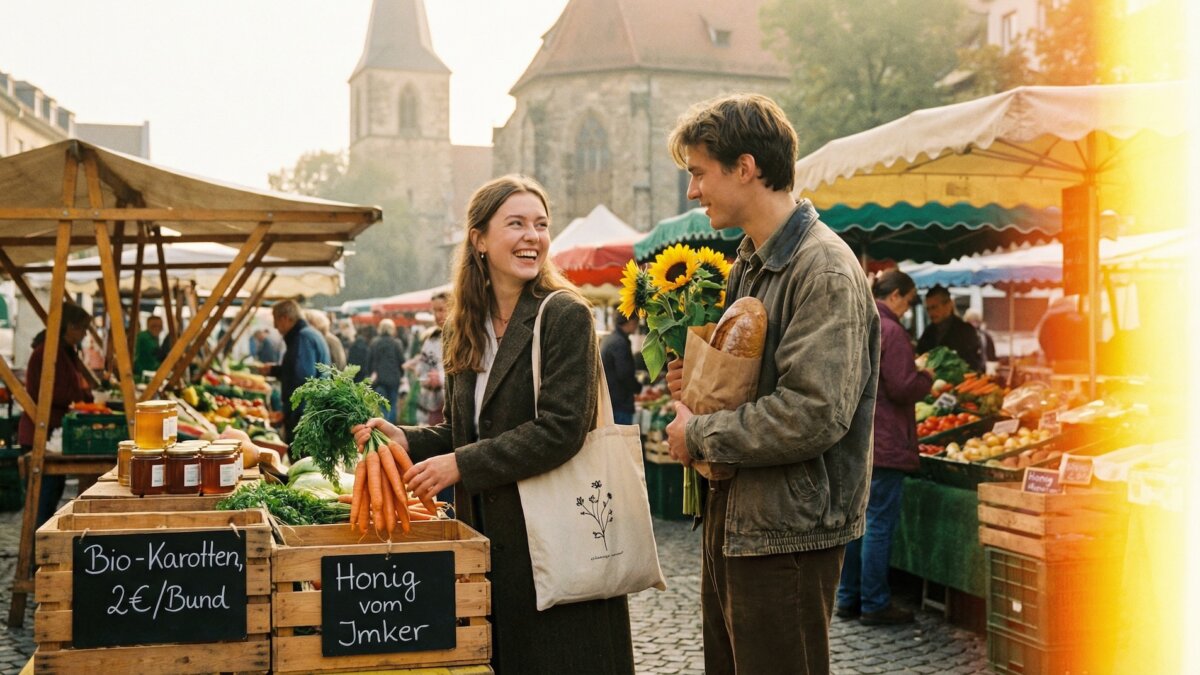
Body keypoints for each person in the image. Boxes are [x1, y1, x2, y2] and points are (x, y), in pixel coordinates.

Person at [353, 175, 634, 674]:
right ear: (479, 239)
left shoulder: (563, 314)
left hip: (558, 538)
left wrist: (460, 464)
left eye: (541, 225)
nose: (533, 236)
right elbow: (468, 432)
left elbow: (561, 430)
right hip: (490, 545)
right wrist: (408, 439)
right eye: (517, 224)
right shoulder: (464, 327)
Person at [662, 94, 879, 674]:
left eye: (699, 173)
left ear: (746, 167)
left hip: (788, 533)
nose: (692, 191)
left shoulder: (823, 268)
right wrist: (700, 384)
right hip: (740, 517)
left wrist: (701, 434)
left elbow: (813, 414)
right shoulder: (749, 262)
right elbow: (757, 387)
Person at [836, 270, 933, 625]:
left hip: (860, 437)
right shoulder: (891, 329)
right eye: (907, 302)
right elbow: (902, 387)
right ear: (895, 296)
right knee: (877, 524)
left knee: (856, 524)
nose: (907, 310)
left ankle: (848, 598)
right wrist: (926, 378)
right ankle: (875, 603)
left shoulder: (859, 320)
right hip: (887, 441)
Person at [17, 303, 94, 527]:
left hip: (53, 432)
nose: (84, 334)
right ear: (69, 327)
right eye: (82, 329)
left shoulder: (63, 351)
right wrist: (83, 397)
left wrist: (85, 395)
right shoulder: (47, 352)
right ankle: (36, 558)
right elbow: (55, 392)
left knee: (50, 497)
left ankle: (38, 554)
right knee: (42, 502)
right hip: (41, 434)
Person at [259, 299, 330, 443]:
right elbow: (297, 370)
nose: (275, 327)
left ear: (285, 318)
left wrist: (288, 413)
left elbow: (301, 378)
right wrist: (275, 370)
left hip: (304, 414)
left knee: (302, 459)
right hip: (311, 411)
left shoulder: (303, 338)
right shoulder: (309, 334)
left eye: (276, 321)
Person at [916, 286, 985, 372]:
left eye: (934, 307)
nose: (931, 313)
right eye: (928, 309)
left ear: (949, 305)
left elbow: (976, 364)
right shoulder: (928, 333)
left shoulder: (966, 331)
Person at [405, 291, 449, 426]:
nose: (437, 315)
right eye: (434, 311)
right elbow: (421, 371)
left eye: (441, 310)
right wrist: (426, 379)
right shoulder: (431, 340)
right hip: (432, 407)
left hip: (455, 407)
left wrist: (441, 379)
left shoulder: (464, 338)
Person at [600, 312, 640, 425]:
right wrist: (637, 387)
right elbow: (624, 374)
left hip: (610, 400)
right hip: (620, 402)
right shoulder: (619, 343)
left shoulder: (610, 339)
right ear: (631, 322)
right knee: (621, 439)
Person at [367, 319, 408, 423]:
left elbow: (369, 361)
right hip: (394, 378)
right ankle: (392, 428)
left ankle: (382, 427)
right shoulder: (396, 343)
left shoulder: (374, 343)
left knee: (381, 405)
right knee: (392, 404)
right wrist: (401, 375)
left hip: (379, 379)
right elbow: (402, 361)